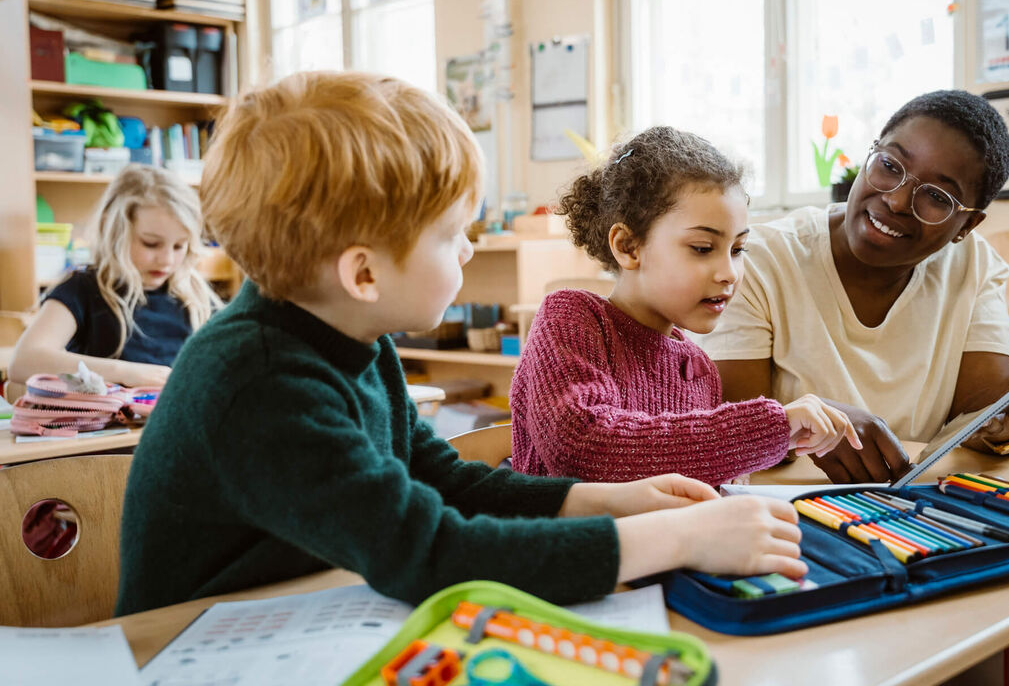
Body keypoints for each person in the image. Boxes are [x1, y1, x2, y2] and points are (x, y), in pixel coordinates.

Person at [115, 73, 809, 616]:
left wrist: (602, 502)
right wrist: (676, 539)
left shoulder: (352, 336)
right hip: (199, 649)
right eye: (452, 235)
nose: (470, 249)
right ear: (363, 273)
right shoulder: (261, 379)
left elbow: (442, 480)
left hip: (300, 610)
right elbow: (428, 551)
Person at [703, 89, 1009, 484]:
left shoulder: (974, 266)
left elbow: (984, 426)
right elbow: (730, 433)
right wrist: (818, 424)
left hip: (910, 514)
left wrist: (1007, 428)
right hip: (784, 514)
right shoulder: (758, 260)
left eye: (937, 197)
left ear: (967, 226)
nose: (898, 200)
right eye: (890, 165)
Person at [510, 126, 859, 487]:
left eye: (738, 250)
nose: (729, 273)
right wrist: (768, 428)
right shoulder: (571, 318)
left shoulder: (698, 369)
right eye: (702, 248)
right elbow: (584, 449)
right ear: (629, 246)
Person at [10, 165, 221, 389]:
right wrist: (125, 372)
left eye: (179, 246)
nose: (167, 259)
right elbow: (23, 362)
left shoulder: (196, 296)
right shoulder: (82, 288)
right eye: (151, 243)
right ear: (113, 229)